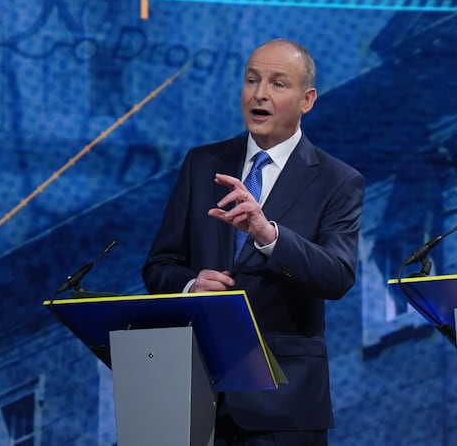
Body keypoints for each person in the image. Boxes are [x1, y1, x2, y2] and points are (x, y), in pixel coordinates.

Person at [142, 38, 365, 445]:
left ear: (307, 100)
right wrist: (191, 286)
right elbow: (160, 265)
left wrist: (269, 236)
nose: (259, 94)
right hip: (194, 393)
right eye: (251, 80)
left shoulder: (338, 181)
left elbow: (337, 275)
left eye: (278, 84)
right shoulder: (202, 164)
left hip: (282, 404)